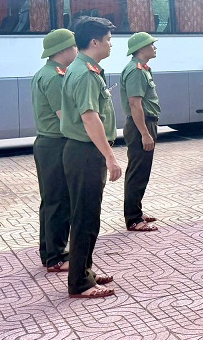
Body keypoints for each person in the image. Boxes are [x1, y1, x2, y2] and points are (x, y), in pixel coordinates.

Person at [60, 16, 121, 298]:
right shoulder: (85, 73)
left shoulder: (83, 68)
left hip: (82, 151)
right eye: (108, 39)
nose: (111, 44)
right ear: (94, 42)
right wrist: (110, 156)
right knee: (86, 217)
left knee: (87, 215)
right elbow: (89, 117)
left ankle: (85, 271)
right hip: (86, 152)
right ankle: (80, 283)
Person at [32, 28, 78, 273]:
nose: (77, 50)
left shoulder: (44, 73)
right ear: (63, 49)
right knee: (59, 201)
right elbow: (65, 118)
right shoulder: (55, 77)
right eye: (74, 46)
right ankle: (56, 257)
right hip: (56, 144)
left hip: (47, 144)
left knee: (51, 201)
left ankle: (49, 252)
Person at [120, 32, 161, 233]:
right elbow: (135, 105)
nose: (155, 48)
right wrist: (145, 133)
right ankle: (133, 219)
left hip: (143, 124)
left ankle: (136, 210)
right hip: (140, 126)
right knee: (137, 172)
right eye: (152, 45)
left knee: (141, 171)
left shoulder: (141, 69)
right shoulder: (136, 71)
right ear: (142, 48)